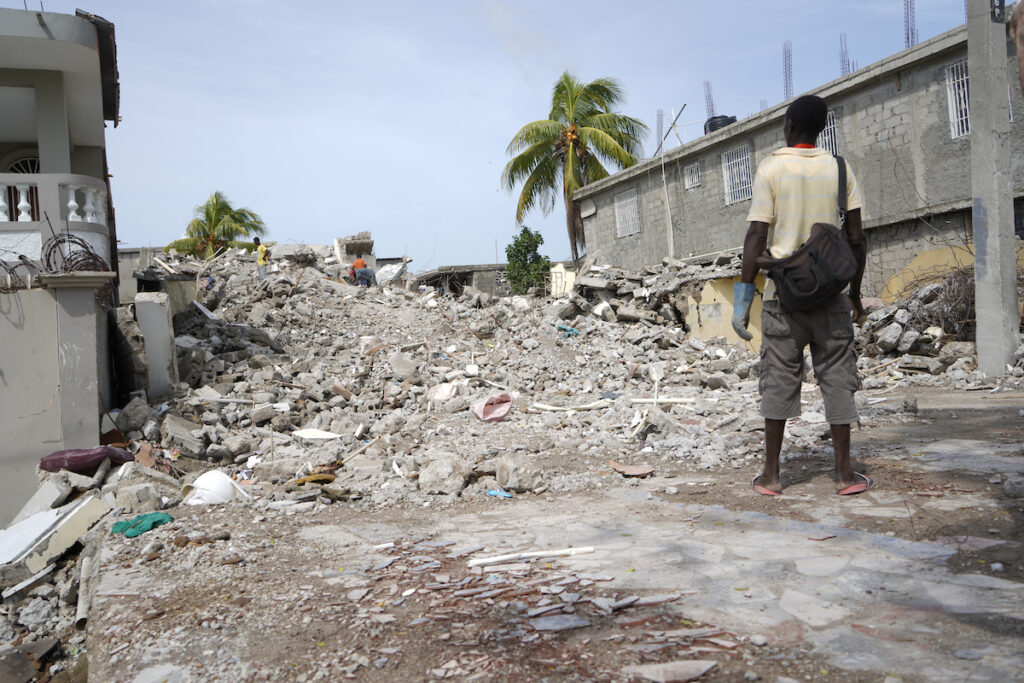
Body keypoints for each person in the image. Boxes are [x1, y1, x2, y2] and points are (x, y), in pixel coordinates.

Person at [731, 94, 871, 496]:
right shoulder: (841, 170)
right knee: (838, 381)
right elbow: (857, 239)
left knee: (777, 381)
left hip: (785, 300)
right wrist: (856, 294)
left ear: (790, 125)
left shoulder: (772, 168)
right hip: (831, 298)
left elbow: (756, 237)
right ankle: (844, 476)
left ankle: (772, 476)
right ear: (822, 128)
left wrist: (743, 301)